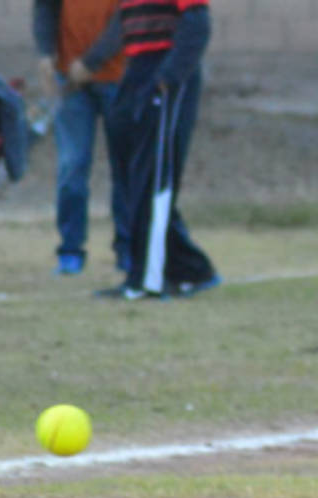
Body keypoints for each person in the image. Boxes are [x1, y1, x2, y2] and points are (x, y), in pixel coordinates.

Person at [94, 0, 219, 300]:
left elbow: (197, 24)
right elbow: (121, 26)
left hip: (165, 70)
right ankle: (191, 268)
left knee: (153, 180)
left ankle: (146, 281)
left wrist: (168, 77)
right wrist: (91, 61)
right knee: (132, 177)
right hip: (135, 69)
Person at [33, 0, 130, 276]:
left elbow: (130, 14)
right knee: (71, 166)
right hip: (71, 81)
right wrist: (45, 53)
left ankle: (128, 248)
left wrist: (91, 61)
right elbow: (45, 7)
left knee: (125, 167)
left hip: (119, 77)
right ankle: (70, 250)